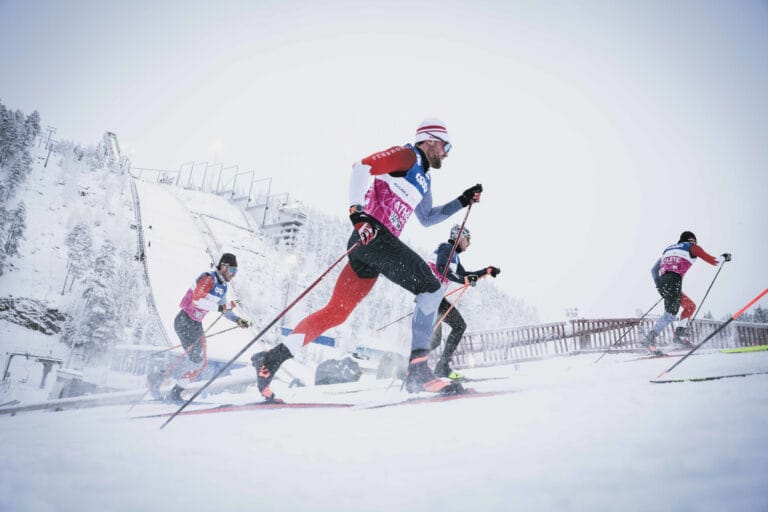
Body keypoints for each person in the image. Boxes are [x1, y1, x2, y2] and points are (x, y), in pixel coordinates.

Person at [251, 118, 483, 402]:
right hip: (373, 234)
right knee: (431, 287)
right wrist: (357, 213)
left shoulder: (424, 178)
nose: (446, 153)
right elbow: (361, 167)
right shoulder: (407, 155)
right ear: (430, 139)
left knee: (336, 312)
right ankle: (419, 371)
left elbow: (427, 217)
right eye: (445, 146)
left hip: (371, 246)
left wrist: (462, 200)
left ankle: (270, 360)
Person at [149, 253, 251, 400]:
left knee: (200, 362)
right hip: (185, 320)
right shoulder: (208, 278)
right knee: (196, 360)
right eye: (232, 271)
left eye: (236, 272)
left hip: (195, 324)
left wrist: (237, 320)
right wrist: (221, 308)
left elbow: (224, 309)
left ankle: (175, 391)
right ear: (224, 267)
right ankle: (160, 380)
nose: (234, 275)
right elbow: (197, 301)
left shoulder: (222, 287)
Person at [428, 224, 500, 380]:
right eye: (467, 239)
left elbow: (465, 275)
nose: (469, 243)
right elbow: (441, 267)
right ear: (459, 238)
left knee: (458, 326)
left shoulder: (454, 256)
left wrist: (486, 271)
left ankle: (442, 367)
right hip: (428, 297)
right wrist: (463, 279)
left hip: (436, 299)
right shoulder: (446, 248)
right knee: (434, 340)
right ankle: (411, 367)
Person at [642, 231, 731, 355]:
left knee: (689, 306)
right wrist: (724, 257)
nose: (695, 243)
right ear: (690, 241)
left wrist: (660, 286)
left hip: (664, 281)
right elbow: (715, 261)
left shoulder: (668, 249)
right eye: (693, 241)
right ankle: (650, 339)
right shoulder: (692, 247)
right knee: (670, 315)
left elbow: (653, 270)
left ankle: (679, 336)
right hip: (674, 280)